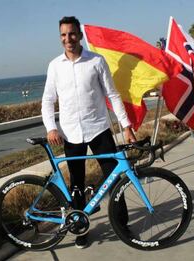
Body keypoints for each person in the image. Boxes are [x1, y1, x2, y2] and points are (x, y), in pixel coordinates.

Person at [41, 16, 137, 249]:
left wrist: (126, 126)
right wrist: (51, 128)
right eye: (63, 35)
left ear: (80, 35)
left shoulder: (96, 61)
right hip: (71, 134)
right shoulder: (55, 66)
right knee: (76, 183)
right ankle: (80, 229)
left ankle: (122, 224)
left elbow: (112, 95)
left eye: (72, 34)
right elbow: (47, 99)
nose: (68, 39)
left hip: (99, 129)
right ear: (60, 37)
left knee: (114, 178)